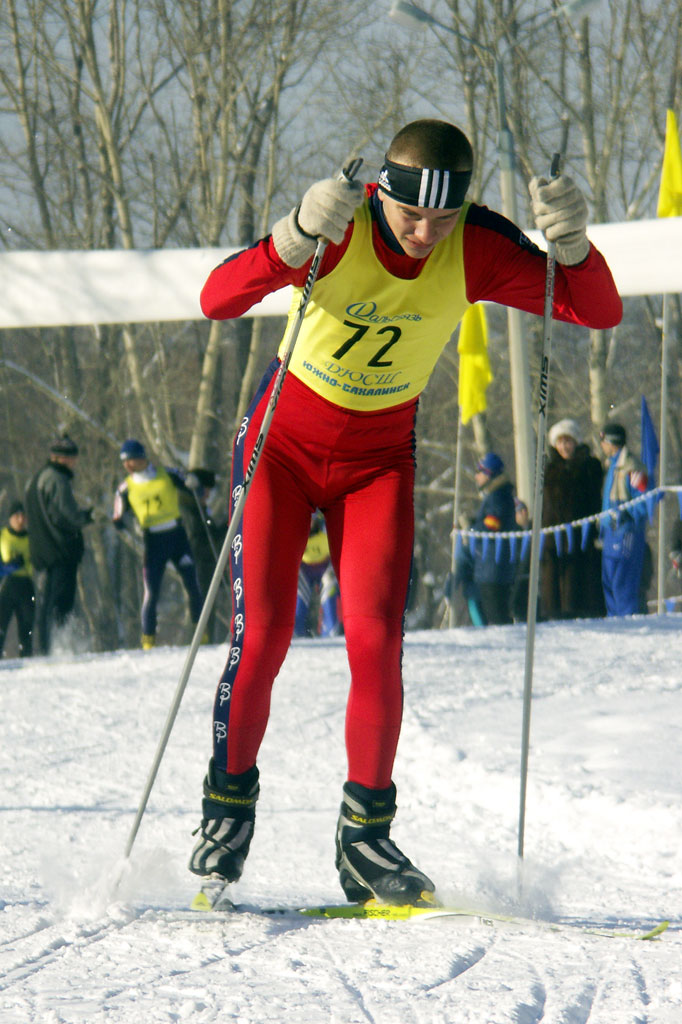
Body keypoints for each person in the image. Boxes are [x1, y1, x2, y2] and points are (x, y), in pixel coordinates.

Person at [190, 118, 622, 907]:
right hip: (282, 449)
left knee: (378, 640)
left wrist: (573, 248)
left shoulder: (478, 248)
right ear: (382, 190)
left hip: (376, 464)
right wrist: (290, 236)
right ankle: (227, 806)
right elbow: (218, 298)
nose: (426, 234)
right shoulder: (340, 223)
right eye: (410, 216)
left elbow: (594, 311)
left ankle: (365, 838)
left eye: (444, 218)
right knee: (267, 635)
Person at [113, 439, 205, 649]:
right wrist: (131, 525)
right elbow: (117, 518)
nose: (128, 465)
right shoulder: (125, 487)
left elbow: (193, 486)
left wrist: (194, 484)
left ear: (142, 458)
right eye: (124, 462)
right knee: (151, 592)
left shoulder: (167, 474)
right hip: (152, 542)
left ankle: (201, 635)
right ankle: (148, 641)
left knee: (192, 583)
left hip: (177, 536)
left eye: (131, 460)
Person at [24, 435, 92, 654]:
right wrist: (87, 516)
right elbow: (66, 514)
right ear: (61, 458)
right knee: (61, 600)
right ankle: (58, 645)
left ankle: (45, 646)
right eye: (71, 457)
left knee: (47, 601)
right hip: (60, 549)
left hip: (42, 550)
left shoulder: (34, 480)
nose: (74, 462)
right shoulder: (56, 479)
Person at [541, 418, 604, 619]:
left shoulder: (589, 466)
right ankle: (555, 612)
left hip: (581, 534)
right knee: (555, 583)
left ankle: (580, 612)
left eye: (568, 441)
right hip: (554, 536)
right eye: (560, 442)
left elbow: (594, 500)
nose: (565, 447)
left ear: (576, 442)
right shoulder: (549, 469)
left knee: (580, 582)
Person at [599, 422, 649, 616]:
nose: (602, 445)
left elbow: (643, 503)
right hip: (610, 533)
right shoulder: (612, 466)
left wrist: (625, 514)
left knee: (623, 582)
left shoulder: (631, 466)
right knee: (609, 582)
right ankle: (615, 625)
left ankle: (628, 623)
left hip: (626, 532)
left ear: (611, 442)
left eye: (603, 441)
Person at [178, 468, 227, 642]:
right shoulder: (190, 509)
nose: (208, 496)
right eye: (206, 491)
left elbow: (211, 535)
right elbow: (199, 540)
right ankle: (202, 639)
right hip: (199, 563)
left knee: (211, 599)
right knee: (204, 600)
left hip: (208, 562)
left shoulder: (199, 509)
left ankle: (208, 638)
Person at [468, 453, 517, 625]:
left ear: (489, 473)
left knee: (497, 616)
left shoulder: (498, 495)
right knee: (494, 614)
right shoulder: (496, 494)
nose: (476, 476)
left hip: (494, 566)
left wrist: (472, 527)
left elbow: (492, 524)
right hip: (491, 565)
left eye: (479, 472)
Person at [294, 511, 342, 637]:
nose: (310, 523)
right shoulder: (297, 531)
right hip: (305, 570)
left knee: (329, 591)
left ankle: (331, 632)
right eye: (308, 519)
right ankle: (297, 634)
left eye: (312, 519)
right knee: (299, 599)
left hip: (324, 567)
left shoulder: (325, 529)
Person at [0, 501, 35, 657]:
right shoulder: (3, 536)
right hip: (6, 586)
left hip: (26, 585)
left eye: (23, 516)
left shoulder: (31, 538)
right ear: (10, 518)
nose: (20, 520)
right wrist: (12, 566)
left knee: (26, 628)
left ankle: (26, 660)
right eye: (16, 516)